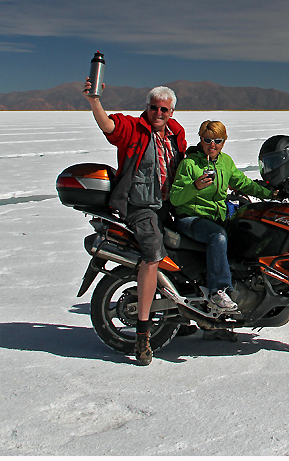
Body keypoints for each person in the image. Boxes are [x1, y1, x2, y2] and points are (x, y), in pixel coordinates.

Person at [84, 79, 188, 366]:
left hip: (169, 206)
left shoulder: (176, 134)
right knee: (152, 255)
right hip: (140, 207)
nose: (158, 113)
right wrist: (95, 102)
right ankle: (143, 333)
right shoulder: (134, 128)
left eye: (164, 109)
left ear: (171, 112)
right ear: (147, 108)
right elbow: (109, 126)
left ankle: (193, 316)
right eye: (154, 108)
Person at [169, 120, 273, 311]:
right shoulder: (189, 164)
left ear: (224, 141)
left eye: (217, 140)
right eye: (207, 140)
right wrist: (195, 187)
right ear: (201, 140)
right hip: (190, 219)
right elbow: (175, 198)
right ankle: (218, 291)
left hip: (216, 218)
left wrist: (270, 194)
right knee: (218, 236)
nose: (212, 145)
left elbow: (243, 183)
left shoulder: (225, 162)